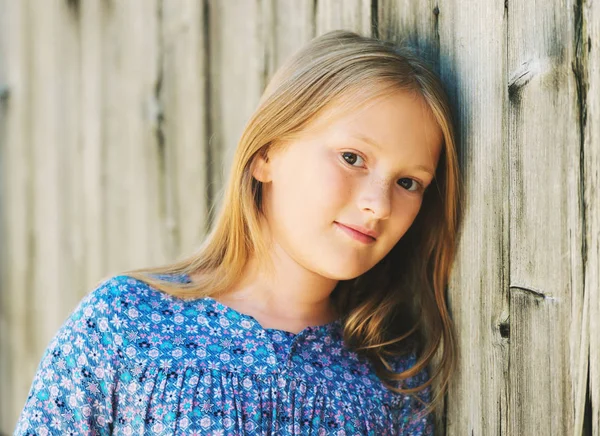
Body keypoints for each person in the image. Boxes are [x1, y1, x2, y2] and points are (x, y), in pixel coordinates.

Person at [14, 29, 461, 435]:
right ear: (266, 153)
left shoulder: (394, 376)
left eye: (408, 183)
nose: (378, 204)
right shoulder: (125, 324)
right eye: (351, 158)